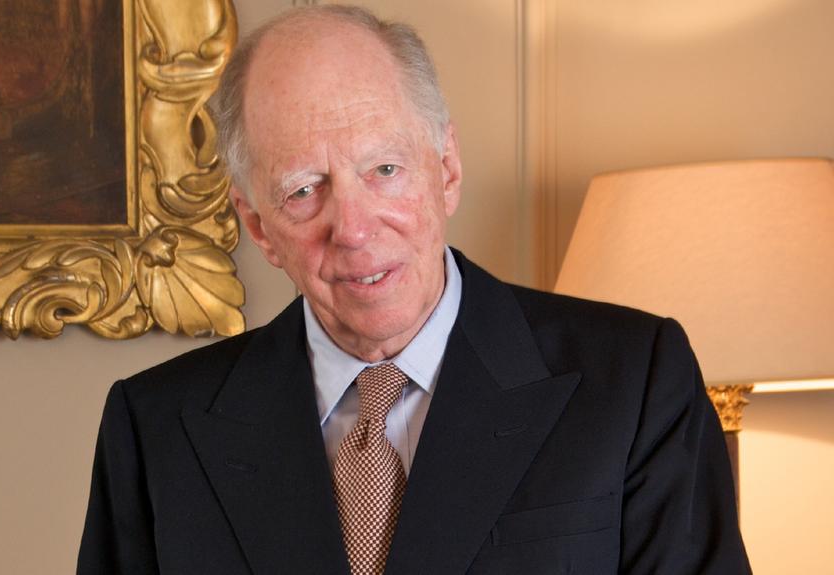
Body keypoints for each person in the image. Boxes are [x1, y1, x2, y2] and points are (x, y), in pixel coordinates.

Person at [78, 5, 751, 574]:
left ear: (447, 169)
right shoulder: (154, 427)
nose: (354, 228)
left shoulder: (635, 381)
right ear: (258, 225)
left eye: (385, 169)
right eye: (304, 190)